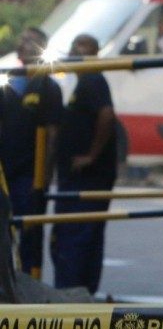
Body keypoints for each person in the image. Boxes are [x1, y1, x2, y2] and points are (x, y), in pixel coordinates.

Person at [51, 34, 117, 294]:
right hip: (79, 177)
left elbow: (106, 114)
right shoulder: (81, 85)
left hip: (87, 177)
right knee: (78, 238)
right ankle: (80, 293)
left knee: (74, 239)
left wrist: (91, 155)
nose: (76, 52)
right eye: (73, 45)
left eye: (84, 47)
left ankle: (73, 295)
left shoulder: (92, 79)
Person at [0, 26, 63, 273]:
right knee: (5, 229)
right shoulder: (8, 79)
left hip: (30, 173)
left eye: (30, 41)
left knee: (29, 230)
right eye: (22, 38)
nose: (23, 44)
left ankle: (30, 278)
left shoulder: (47, 86)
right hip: (6, 169)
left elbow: (53, 133)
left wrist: (44, 175)